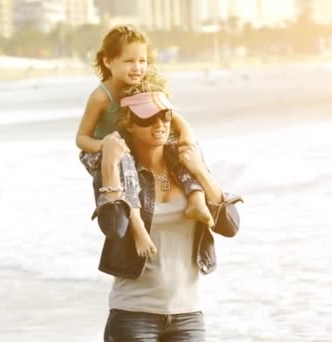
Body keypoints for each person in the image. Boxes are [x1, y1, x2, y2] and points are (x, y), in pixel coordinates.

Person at [92, 78, 243, 341]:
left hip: (188, 315)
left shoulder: (188, 171)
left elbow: (229, 226)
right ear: (129, 122)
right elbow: (114, 227)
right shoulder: (116, 171)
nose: (159, 124)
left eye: (165, 115)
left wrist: (201, 172)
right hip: (132, 313)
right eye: (148, 118)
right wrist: (107, 164)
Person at [76, 25, 213, 259]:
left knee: (177, 144)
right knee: (125, 162)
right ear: (108, 61)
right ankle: (137, 225)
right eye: (129, 61)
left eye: (142, 61)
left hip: (130, 146)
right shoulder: (101, 97)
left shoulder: (144, 88)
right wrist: (105, 145)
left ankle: (196, 198)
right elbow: (81, 138)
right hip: (101, 152)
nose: (137, 68)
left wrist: (187, 138)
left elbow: (176, 118)